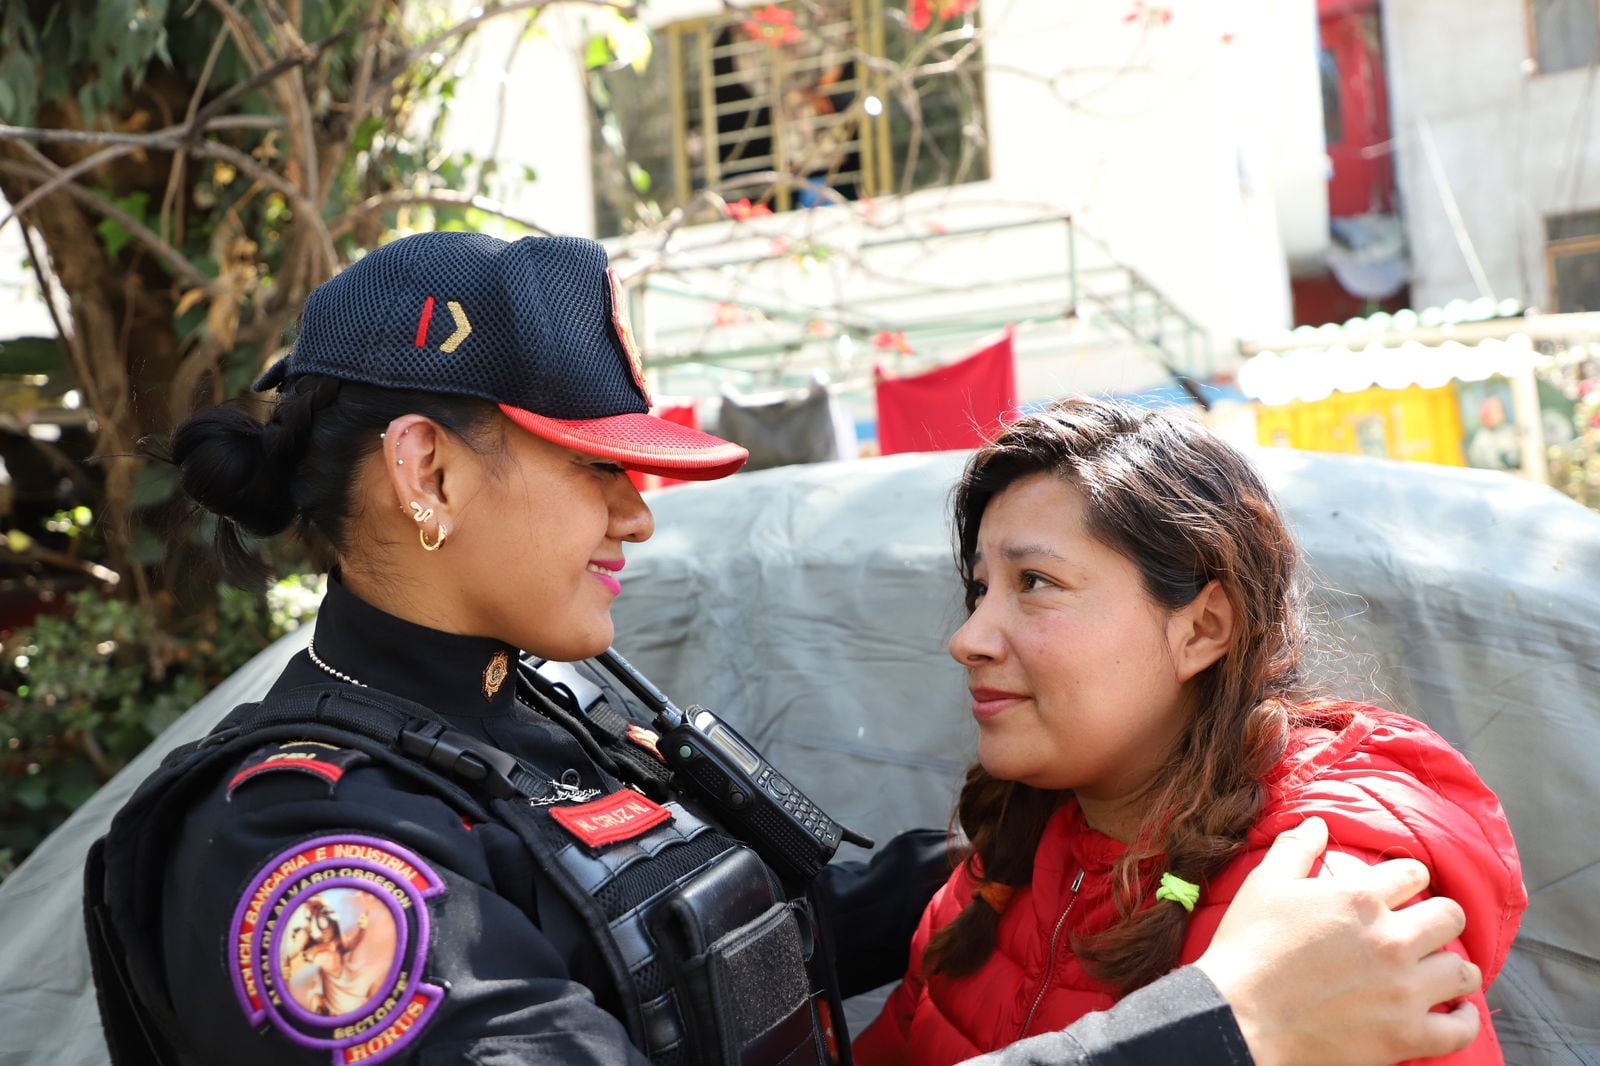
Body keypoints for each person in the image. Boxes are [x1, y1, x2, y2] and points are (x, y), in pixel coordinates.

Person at [83, 232, 1487, 1066]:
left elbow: (774, 923)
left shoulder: (549, 714)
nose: (639, 510)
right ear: (426, 472)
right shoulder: (306, 852)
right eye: (593, 467)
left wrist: (1135, 815)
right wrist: (1222, 1030)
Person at [854, 398, 1527, 1066]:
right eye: (979, 590)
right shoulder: (999, 870)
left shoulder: (1329, 904)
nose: (967, 639)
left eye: (1035, 581)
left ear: (1203, 628)